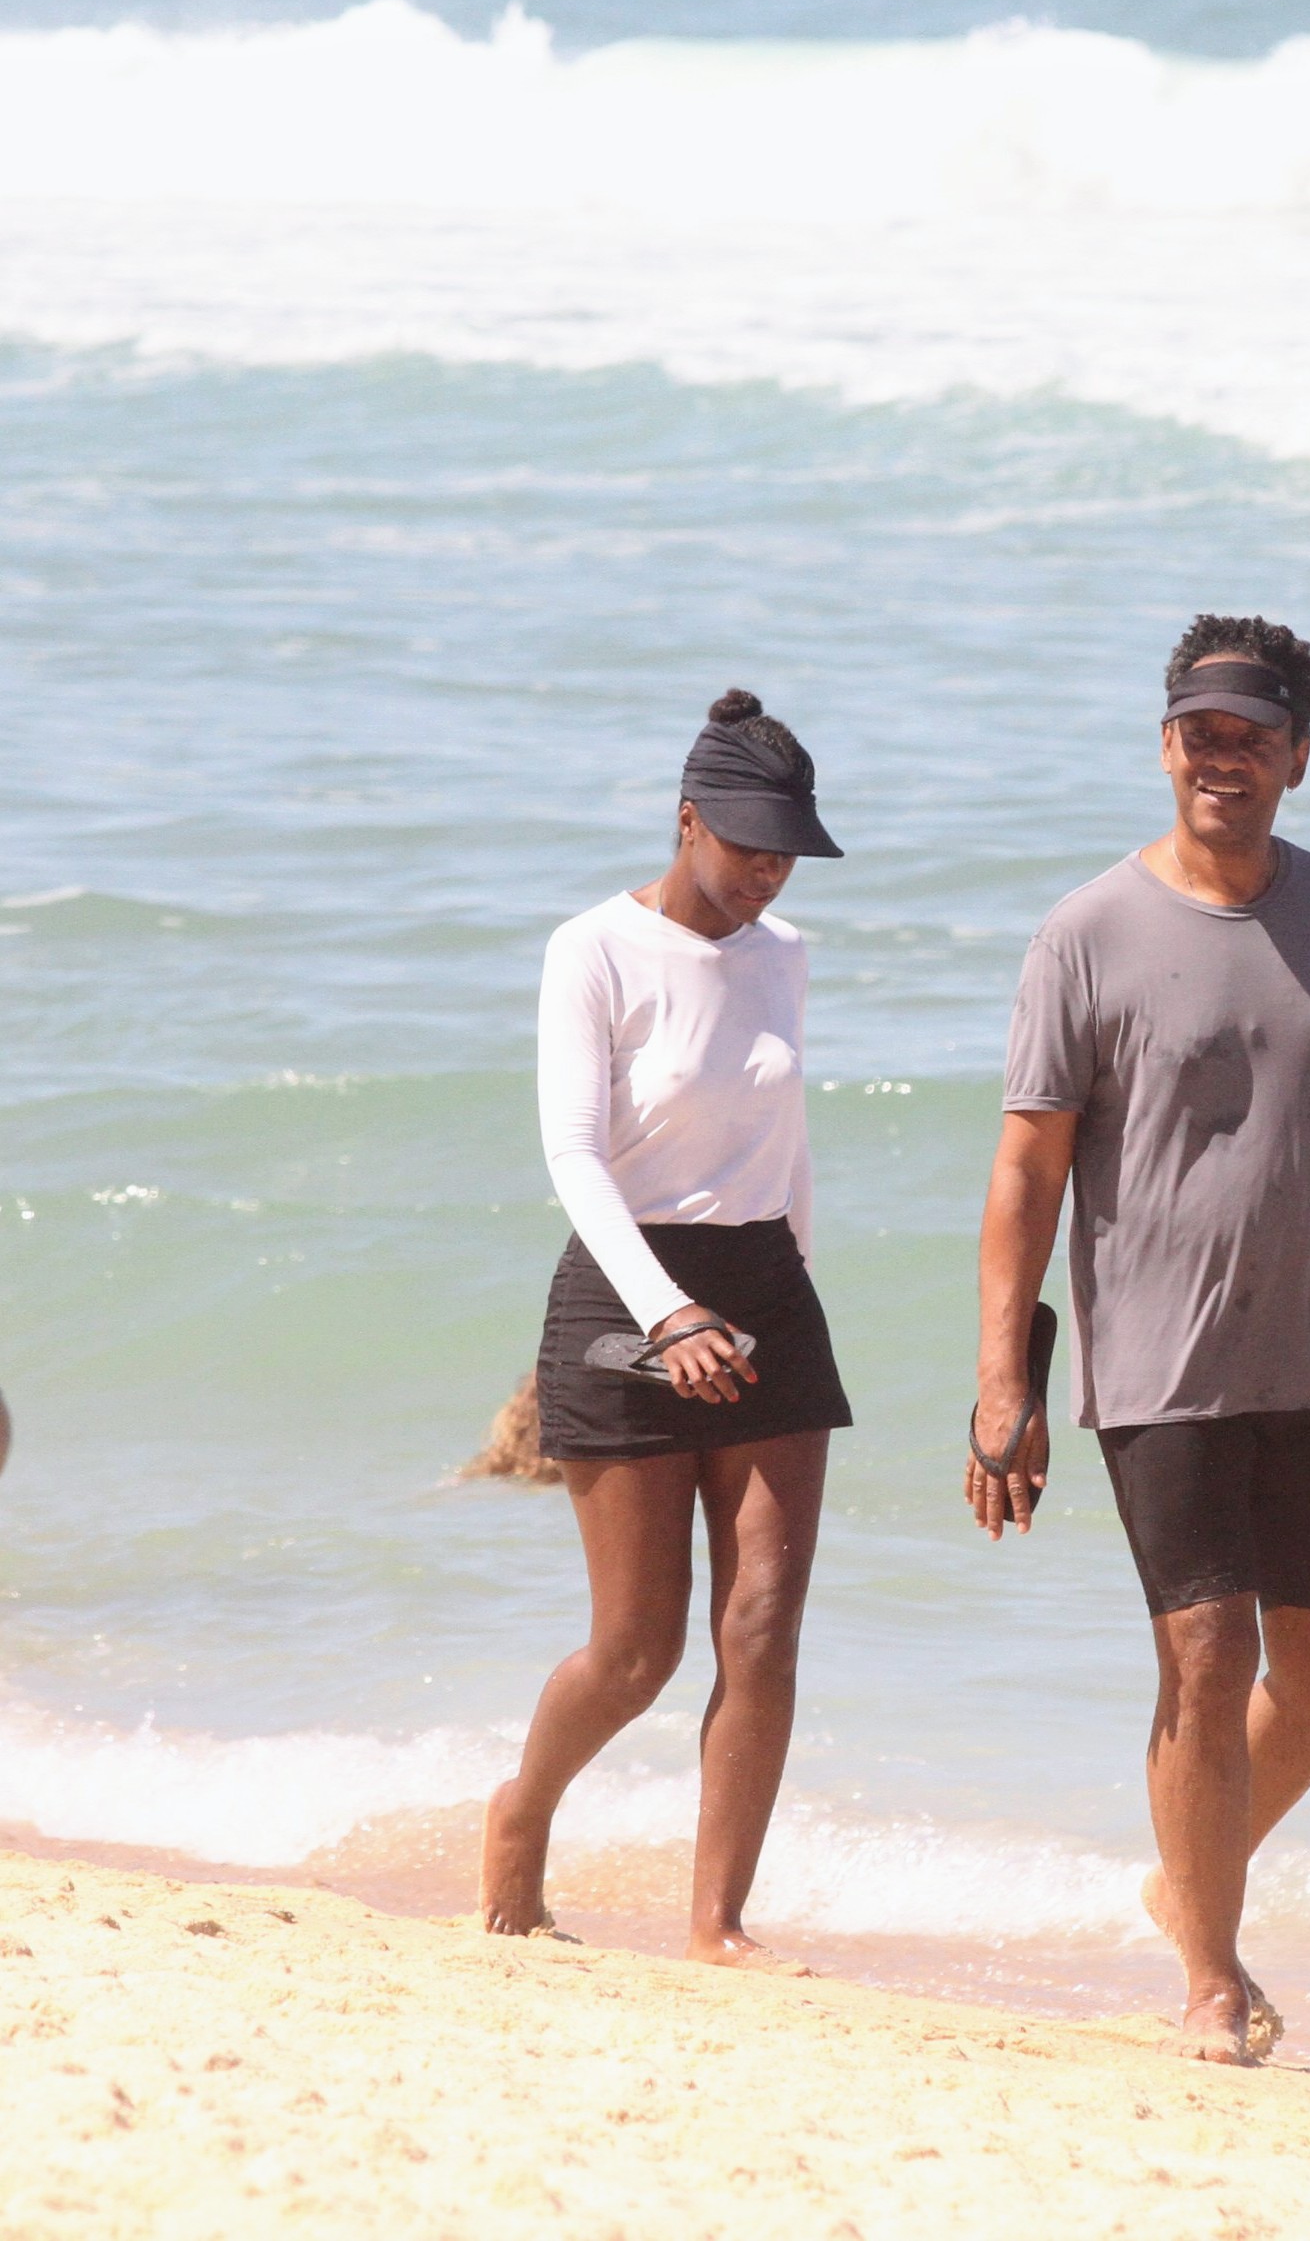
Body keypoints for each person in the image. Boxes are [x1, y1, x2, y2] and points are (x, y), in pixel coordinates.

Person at [969, 617, 1310, 2065]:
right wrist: (1001, 1383)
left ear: (1297, 754)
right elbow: (1028, 1168)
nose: (1223, 754)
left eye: (1253, 733)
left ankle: (1185, 1876)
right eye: (1199, 729)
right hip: (1154, 1365)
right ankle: (1209, 1977)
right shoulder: (1085, 932)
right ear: (1165, 741)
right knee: (1206, 1655)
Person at [481, 687, 851, 1970]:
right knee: (636, 1646)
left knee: (760, 1624)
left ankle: (717, 1922)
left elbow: (783, 1140)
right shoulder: (591, 948)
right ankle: (521, 1817)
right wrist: (672, 1310)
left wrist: (785, 1293)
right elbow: (573, 1153)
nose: (765, 870)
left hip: (763, 1293)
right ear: (685, 818)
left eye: (783, 849)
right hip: (627, 1292)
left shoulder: (785, 956)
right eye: (745, 841)